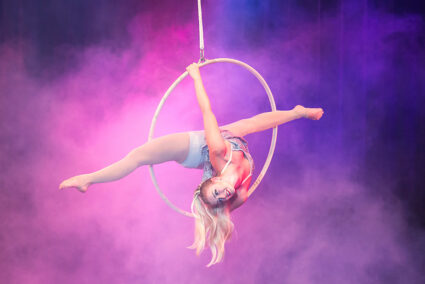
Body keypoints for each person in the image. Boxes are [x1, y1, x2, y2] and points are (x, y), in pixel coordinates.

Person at [59, 63, 324, 266]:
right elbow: (220, 210)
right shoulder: (239, 196)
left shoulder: (218, 151)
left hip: (202, 147)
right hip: (231, 147)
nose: (224, 194)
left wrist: (196, 76)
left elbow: (207, 111)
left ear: (214, 179)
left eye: (216, 191)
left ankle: (298, 111)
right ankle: (89, 179)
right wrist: (216, 213)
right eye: (221, 198)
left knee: (250, 125)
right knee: (142, 155)